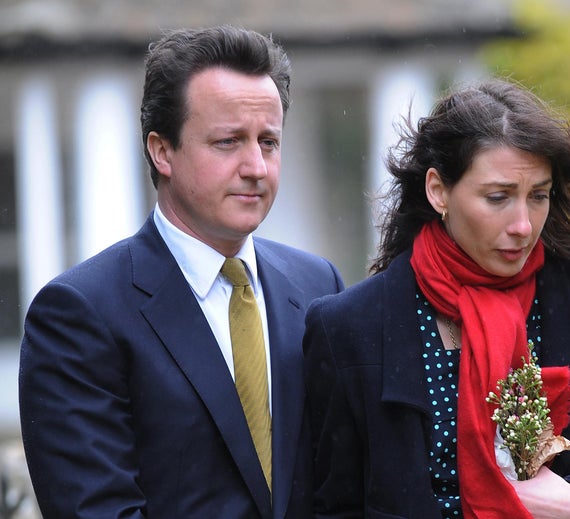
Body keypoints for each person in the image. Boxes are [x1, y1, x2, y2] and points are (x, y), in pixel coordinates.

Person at [19, 26, 344, 519]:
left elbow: (342, 487)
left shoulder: (318, 285)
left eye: (269, 142)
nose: (256, 166)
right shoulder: (80, 313)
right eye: (228, 142)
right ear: (162, 151)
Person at [303, 79, 570, 518]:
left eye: (538, 196)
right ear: (438, 190)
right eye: (498, 197)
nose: (523, 224)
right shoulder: (348, 325)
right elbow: (334, 506)